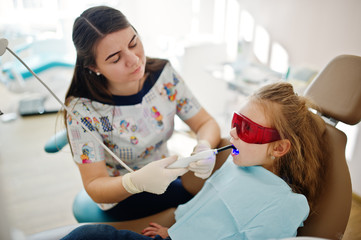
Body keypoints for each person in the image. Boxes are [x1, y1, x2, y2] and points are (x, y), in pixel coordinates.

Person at [61, 81, 329, 239]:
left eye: (246, 128)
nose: (233, 133)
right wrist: (172, 231)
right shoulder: (237, 167)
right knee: (87, 235)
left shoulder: (287, 204)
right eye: (235, 121)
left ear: (280, 148)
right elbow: (199, 208)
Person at [64, 5, 221, 220]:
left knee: (225, 150)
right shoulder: (83, 111)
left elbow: (205, 123)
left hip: (170, 177)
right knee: (208, 202)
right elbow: (94, 185)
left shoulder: (163, 76)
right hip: (123, 195)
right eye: (115, 58)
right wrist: (134, 182)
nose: (134, 59)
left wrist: (204, 147)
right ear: (94, 66)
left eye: (133, 43)